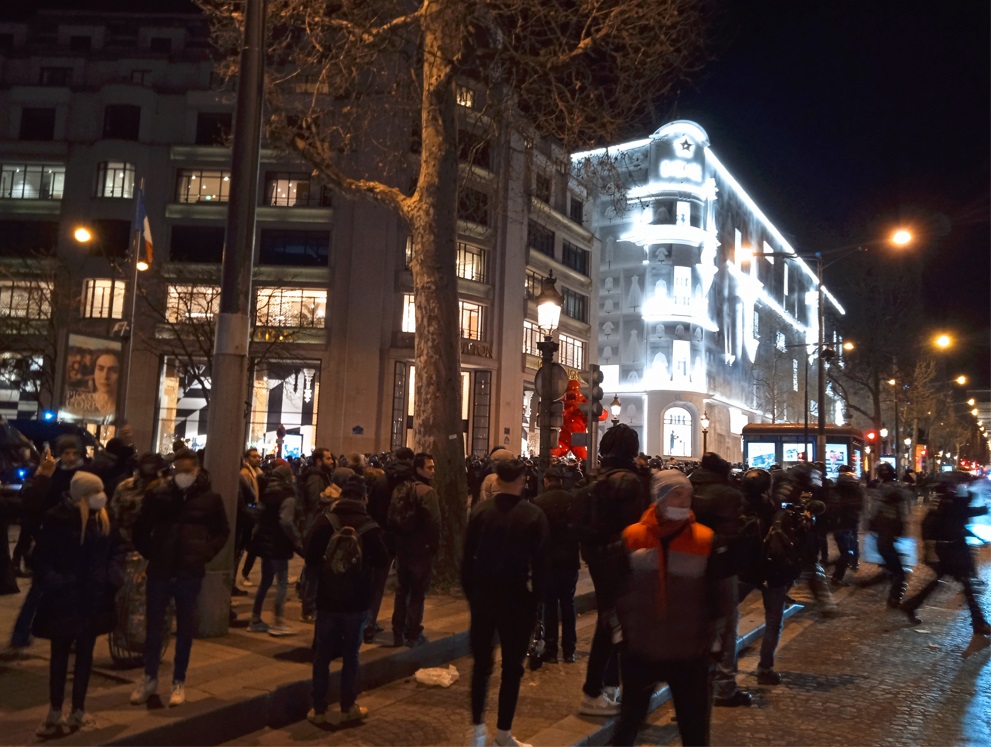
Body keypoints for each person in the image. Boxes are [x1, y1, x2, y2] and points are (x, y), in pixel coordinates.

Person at [611, 469, 720, 747]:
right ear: (659, 498)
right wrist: (620, 628)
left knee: (694, 731)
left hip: (689, 652)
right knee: (628, 725)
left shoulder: (705, 539)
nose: (685, 501)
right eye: (677, 494)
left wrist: (712, 638)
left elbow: (716, 596)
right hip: (641, 648)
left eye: (687, 495)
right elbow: (617, 588)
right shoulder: (632, 536)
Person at [130, 448, 229, 708]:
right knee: (154, 626)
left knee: (185, 628)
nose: (183, 475)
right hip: (161, 570)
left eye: (188, 470)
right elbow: (139, 529)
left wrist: (203, 553)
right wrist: (153, 553)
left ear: (196, 470)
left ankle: (178, 681)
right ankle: (149, 677)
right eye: (179, 470)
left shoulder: (210, 499)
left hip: (189, 572)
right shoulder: (159, 495)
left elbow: (222, 531)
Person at [463, 458, 548, 747]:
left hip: (484, 596)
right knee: (513, 667)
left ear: (496, 479)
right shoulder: (533, 515)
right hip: (517, 599)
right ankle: (503, 732)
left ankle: (476, 730)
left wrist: (472, 595)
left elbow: (465, 561)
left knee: (481, 666)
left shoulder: (480, 512)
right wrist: (536, 601)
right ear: (522, 479)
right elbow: (540, 565)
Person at [32, 471, 125, 736]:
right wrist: (56, 581)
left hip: (94, 598)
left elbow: (118, 549)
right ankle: (54, 711)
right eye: (95, 492)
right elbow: (41, 558)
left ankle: (78, 710)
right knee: (59, 656)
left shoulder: (105, 519)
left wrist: (112, 575)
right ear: (82, 496)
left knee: (85, 656)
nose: (101, 496)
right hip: (64, 598)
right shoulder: (57, 519)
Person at [305, 474, 389, 726]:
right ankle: (347, 707)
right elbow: (383, 561)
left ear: (341, 496)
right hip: (357, 601)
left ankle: (318, 709)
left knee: (322, 656)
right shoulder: (369, 526)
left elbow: (309, 555)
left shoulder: (327, 520)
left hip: (327, 599)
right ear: (364, 498)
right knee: (351, 655)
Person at [576, 424, 648, 717]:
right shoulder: (631, 482)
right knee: (614, 625)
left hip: (597, 557)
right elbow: (635, 527)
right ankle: (595, 690)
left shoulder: (596, 478)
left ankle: (605, 686)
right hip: (620, 559)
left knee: (609, 622)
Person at [10, 435, 89, 649]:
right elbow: (32, 506)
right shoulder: (49, 474)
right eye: (66, 453)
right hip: (51, 540)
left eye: (74, 453)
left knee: (72, 590)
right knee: (39, 589)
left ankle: (70, 634)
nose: (70, 457)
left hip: (76, 540)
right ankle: (21, 632)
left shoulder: (86, 475)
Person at [690, 452, 752, 708]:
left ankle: (695, 683)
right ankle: (725, 686)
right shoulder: (729, 494)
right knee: (726, 625)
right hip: (720, 566)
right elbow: (737, 533)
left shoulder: (688, 488)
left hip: (689, 562)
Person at [901, 474, 990, 635]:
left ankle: (911, 605)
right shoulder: (951, 502)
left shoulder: (944, 501)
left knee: (940, 581)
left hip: (951, 548)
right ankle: (979, 623)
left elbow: (961, 518)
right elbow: (963, 513)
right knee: (965, 583)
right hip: (951, 550)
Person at [737, 468, 797, 685]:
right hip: (772, 571)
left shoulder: (737, 507)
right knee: (773, 621)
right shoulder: (774, 509)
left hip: (745, 569)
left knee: (725, 614)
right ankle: (765, 668)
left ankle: (723, 664)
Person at [389, 452, 441, 647]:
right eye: (429, 468)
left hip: (403, 547)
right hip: (421, 549)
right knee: (418, 593)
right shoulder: (427, 492)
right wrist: (434, 546)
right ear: (419, 469)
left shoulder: (401, 488)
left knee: (402, 590)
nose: (433, 471)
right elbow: (434, 522)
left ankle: (397, 630)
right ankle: (412, 633)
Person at [248, 459, 303, 636]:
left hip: (265, 544)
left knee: (265, 582)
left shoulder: (268, 493)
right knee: (282, 582)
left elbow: (259, 515)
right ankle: (278, 621)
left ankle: (255, 618)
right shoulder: (288, 496)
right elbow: (286, 520)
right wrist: (295, 538)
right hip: (279, 544)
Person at [533, 463, 580, 664]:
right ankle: (569, 649)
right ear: (561, 480)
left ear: (546, 481)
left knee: (550, 605)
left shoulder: (538, 502)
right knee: (568, 604)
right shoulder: (572, 500)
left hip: (548, 562)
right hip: (569, 560)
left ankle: (551, 649)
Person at [860, 461, 913, 607]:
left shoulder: (880, 490)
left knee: (891, 563)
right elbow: (906, 510)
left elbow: (872, 511)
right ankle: (894, 598)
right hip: (890, 533)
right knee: (897, 569)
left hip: (884, 533)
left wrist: (869, 524)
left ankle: (884, 585)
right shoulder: (898, 489)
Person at [235, 447, 264, 594]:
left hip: (251, 514)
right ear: (246, 459)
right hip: (248, 516)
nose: (258, 458)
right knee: (243, 548)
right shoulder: (245, 474)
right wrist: (252, 509)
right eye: (254, 457)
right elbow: (247, 497)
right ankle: (240, 576)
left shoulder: (256, 473)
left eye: (258, 456)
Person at [830, 465, 865, 585]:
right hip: (850, 522)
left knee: (846, 549)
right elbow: (860, 505)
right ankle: (848, 566)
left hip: (839, 523)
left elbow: (832, 506)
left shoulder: (835, 489)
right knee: (850, 546)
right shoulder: (856, 490)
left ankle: (842, 569)